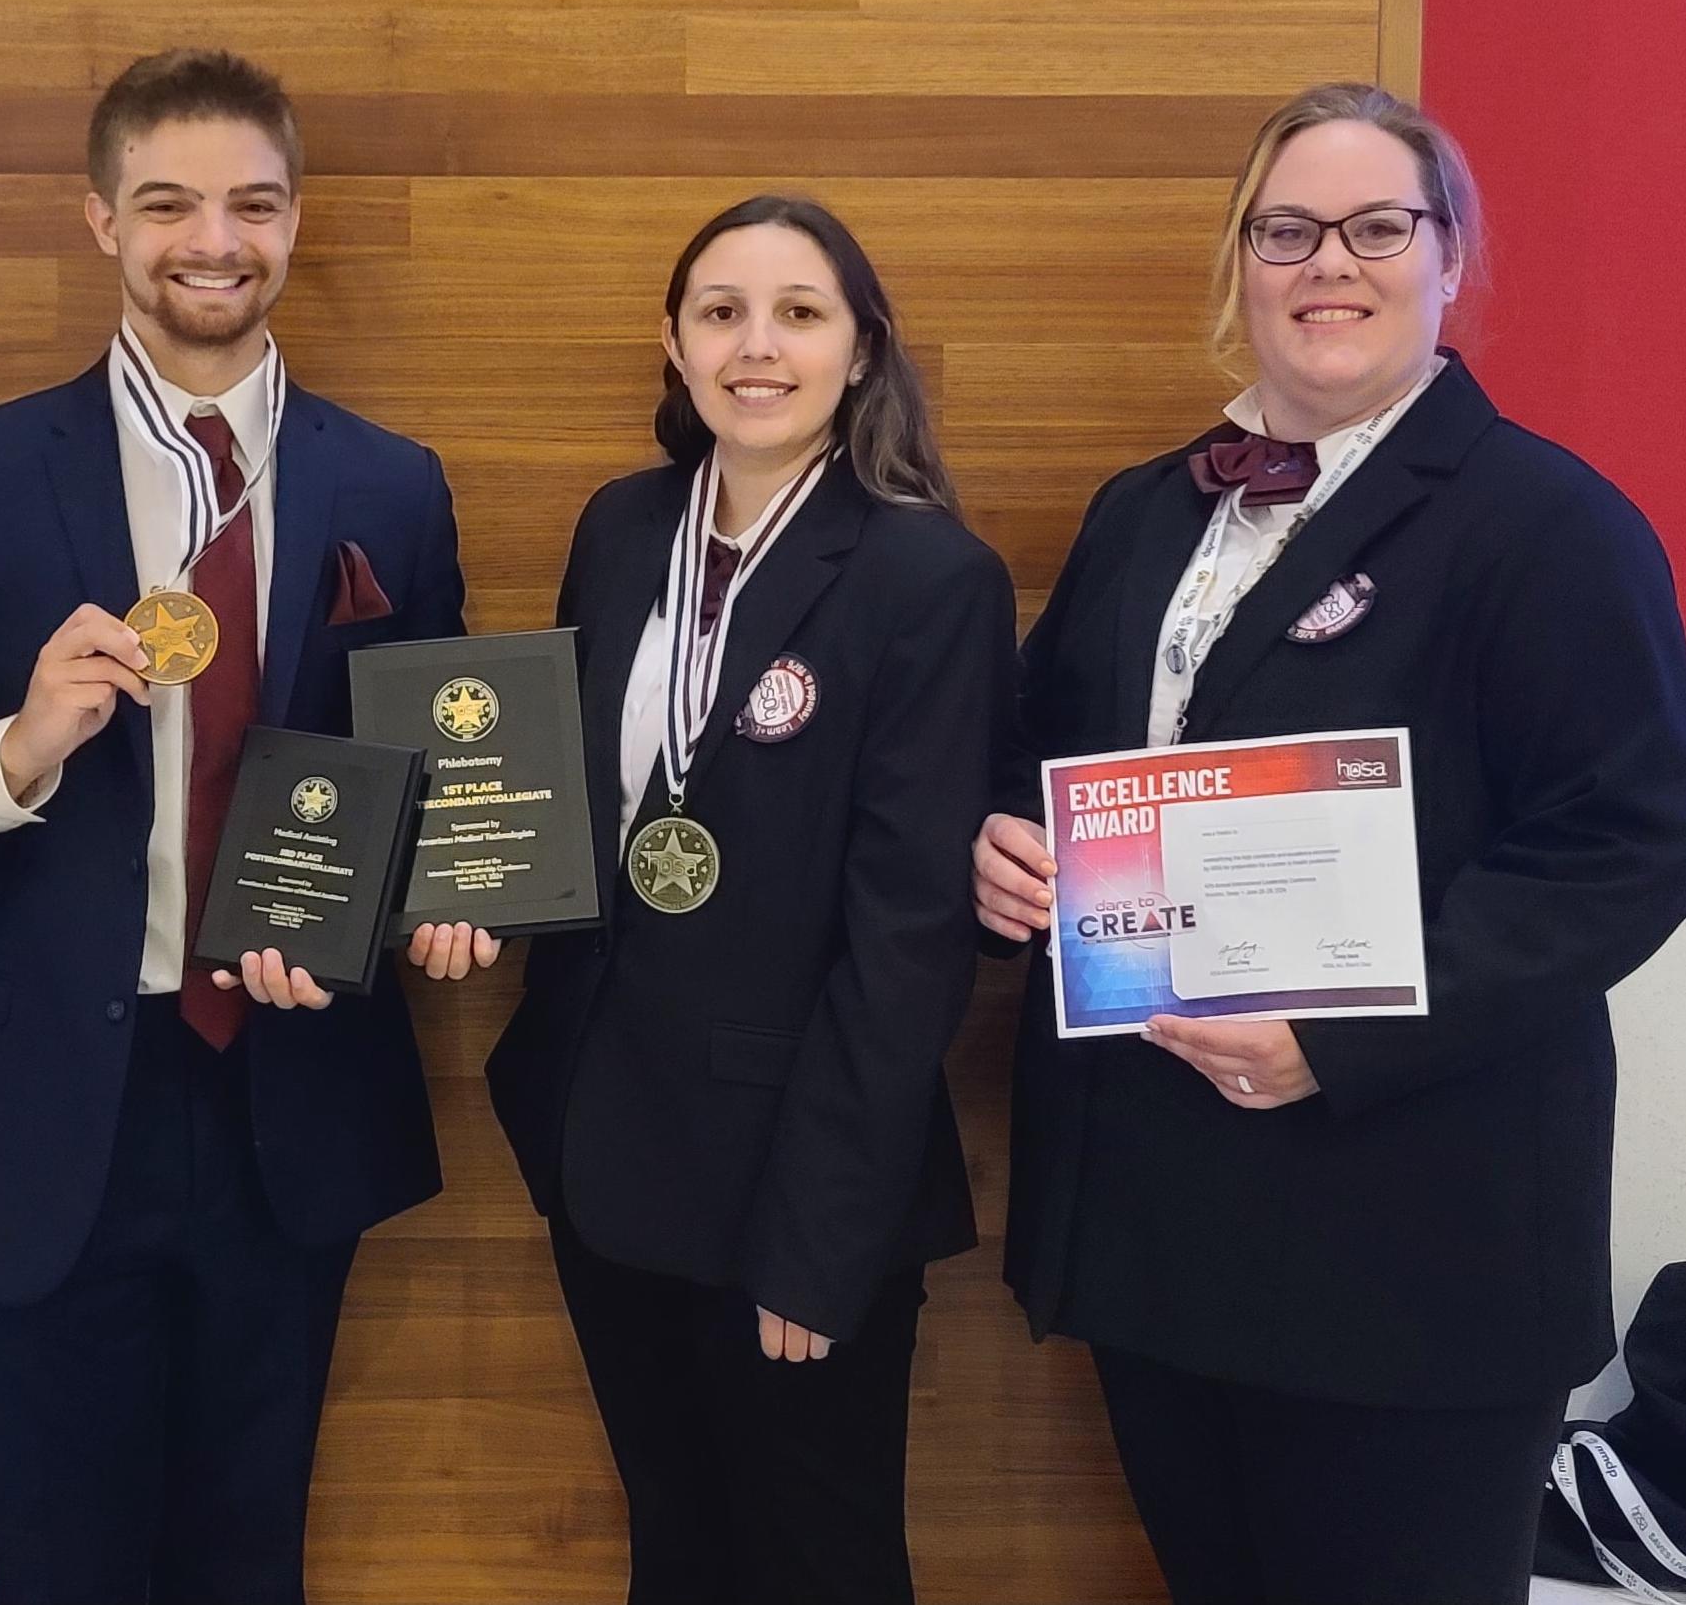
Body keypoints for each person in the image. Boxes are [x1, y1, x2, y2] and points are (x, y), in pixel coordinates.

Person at [974, 82, 1686, 1605]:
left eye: (1375, 226)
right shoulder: (1141, 513)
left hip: (1410, 1250)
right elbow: (1047, 769)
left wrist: (1342, 1039)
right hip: (1161, 1232)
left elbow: (1624, 847)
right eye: (1285, 229)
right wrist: (1001, 856)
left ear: (1448, 257)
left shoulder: (1549, 525)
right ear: (1240, 260)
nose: (1326, 265)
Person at [0, 48, 466, 1605]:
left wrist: (407, 911)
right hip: (45, 1116)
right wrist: (18, 747)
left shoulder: (390, 482)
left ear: (296, 221)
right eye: (168, 201)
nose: (213, 239)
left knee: (250, 1563)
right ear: (99, 218)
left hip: (285, 1097)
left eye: (251, 203)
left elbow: (432, 784)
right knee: (55, 1569)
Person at [482, 195, 1016, 1604]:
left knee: (817, 1561)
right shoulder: (619, 528)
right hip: (608, 1149)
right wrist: (472, 889)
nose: (755, 345)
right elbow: (572, 814)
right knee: (677, 1546)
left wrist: (817, 1241)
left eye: (798, 312)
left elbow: (908, 944)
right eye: (720, 311)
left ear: (861, 349)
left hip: (796, 1182)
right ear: (672, 342)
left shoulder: (927, 577)